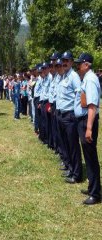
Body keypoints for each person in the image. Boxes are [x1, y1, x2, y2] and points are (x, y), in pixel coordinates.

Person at [74, 53, 101, 205]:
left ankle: (95, 193)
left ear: (86, 65)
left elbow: (92, 106)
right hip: (83, 121)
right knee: (88, 157)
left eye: (79, 64)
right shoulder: (87, 79)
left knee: (91, 158)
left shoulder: (90, 80)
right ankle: (92, 187)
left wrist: (89, 128)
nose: (78, 67)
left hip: (87, 122)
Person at [57, 51, 82, 184]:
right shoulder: (63, 76)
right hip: (61, 114)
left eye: (67, 60)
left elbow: (79, 96)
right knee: (65, 144)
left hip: (70, 115)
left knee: (73, 145)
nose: (64, 63)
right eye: (63, 60)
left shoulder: (74, 76)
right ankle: (71, 169)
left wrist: (76, 113)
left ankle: (77, 174)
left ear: (71, 62)